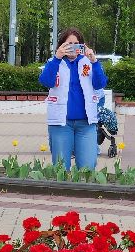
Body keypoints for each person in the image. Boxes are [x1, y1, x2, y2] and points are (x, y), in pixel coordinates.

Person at [38, 28, 109, 171]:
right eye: (68, 43)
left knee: (88, 167)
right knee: (61, 168)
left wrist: (94, 62)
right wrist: (57, 58)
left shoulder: (88, 62)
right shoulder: (54, 62)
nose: (72, 46)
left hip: (86, 124)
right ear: (61, 45)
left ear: (82, 46)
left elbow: (100, 84)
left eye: (76, 43)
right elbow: (46, 81)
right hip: (61, 124)